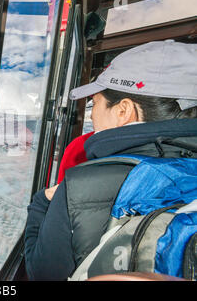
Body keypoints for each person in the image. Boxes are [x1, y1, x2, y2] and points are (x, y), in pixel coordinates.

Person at [24, 40, 197, 280]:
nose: (92, 114)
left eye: (95, 103)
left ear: (123, 111)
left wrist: (41, 203)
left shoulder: (82, 186)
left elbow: (40, 274)